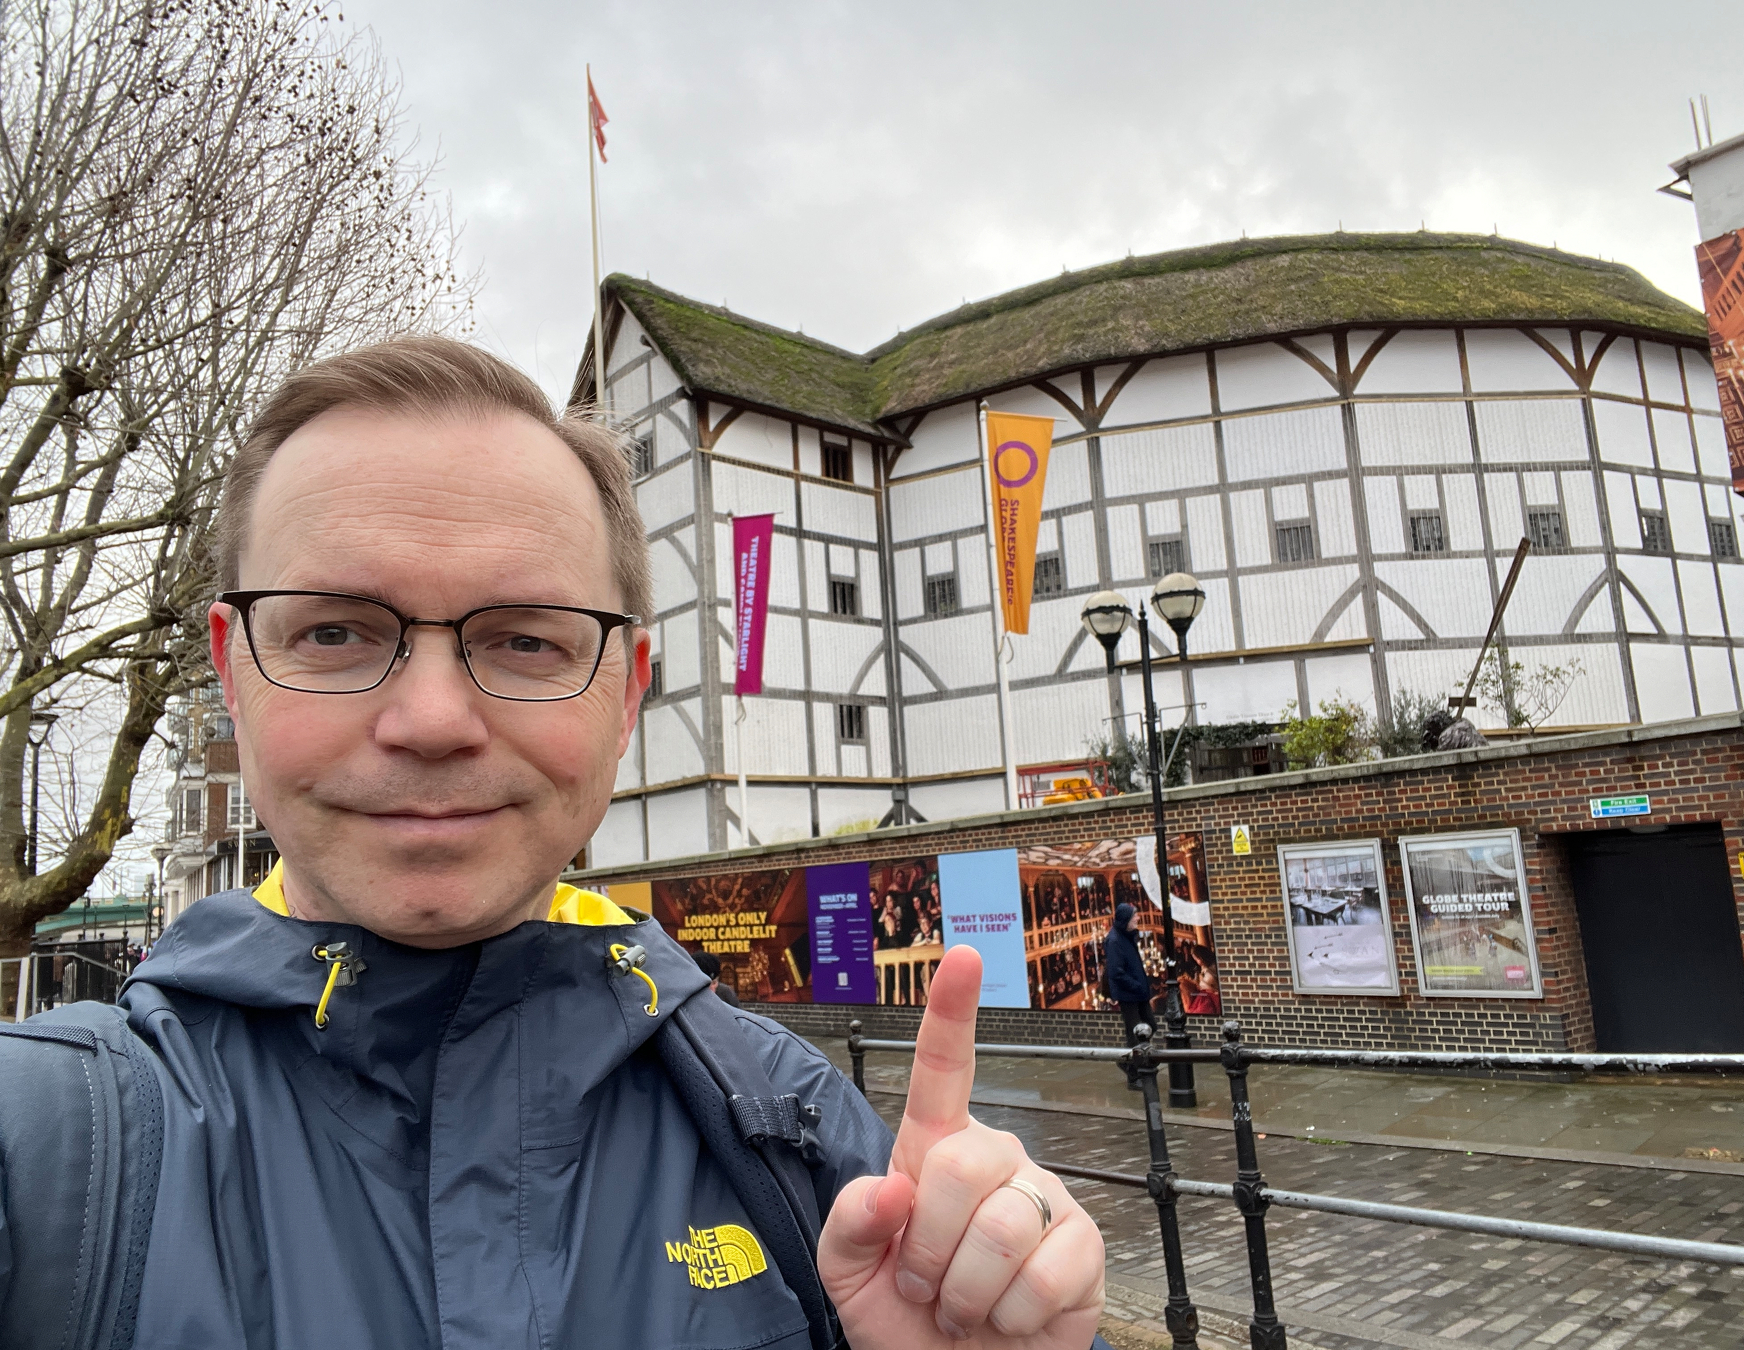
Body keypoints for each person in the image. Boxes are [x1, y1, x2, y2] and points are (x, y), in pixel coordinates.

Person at [0, 338, 1106, 1349]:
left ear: (627, 696)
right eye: (334, 631)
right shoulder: (45, 1149)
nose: (431, 720)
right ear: (232, 669)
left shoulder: (794, 1131)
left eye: (526, 639)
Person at [1103, 902, 1153, 1084]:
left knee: (1150, 1026)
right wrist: (1136, 985)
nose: (1138, 918)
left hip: (1139, 993)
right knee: (1134, 1035)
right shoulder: (1115, 941)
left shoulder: (1127, 936)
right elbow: (1116, 972)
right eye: (1135, 916)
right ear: (1126, 920)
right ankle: (1133, 1072)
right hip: (1129, 995)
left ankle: (1132, 1063)